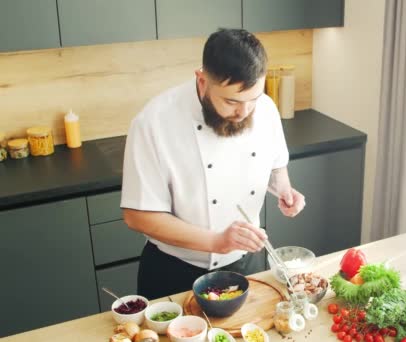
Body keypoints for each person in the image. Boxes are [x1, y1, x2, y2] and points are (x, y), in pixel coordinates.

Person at [120, 28, 306, 299]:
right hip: (174, 273)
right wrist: (216, 242)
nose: (243, 112)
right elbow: (137, 216)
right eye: (231, 101)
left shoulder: (265, 109)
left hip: (247, 266)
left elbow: (275, 162)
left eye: (252, 100)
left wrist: (284, 189)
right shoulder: (153, 123)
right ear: (202, 80)